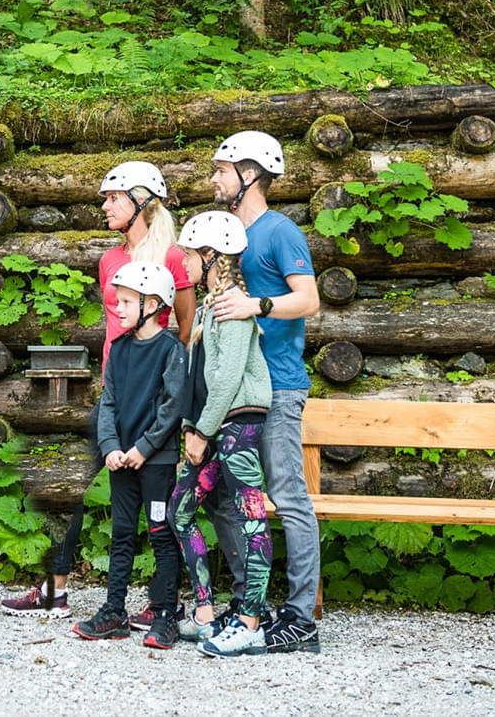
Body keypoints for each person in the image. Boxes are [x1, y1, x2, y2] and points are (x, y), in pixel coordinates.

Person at [1, 161, 196, 621]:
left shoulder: (172, 256)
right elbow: (113, 333)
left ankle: (161, 603)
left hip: (157, 402)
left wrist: (165, 404)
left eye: (114, 198)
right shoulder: (110, 259)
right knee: (71, 487)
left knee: (158, 505)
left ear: (142, 201)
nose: (104, 206)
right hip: (115, 394)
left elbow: (185, 329)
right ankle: (56, 589)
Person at [208, 130, 322, 653]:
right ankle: (253, 602)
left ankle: (301, 618)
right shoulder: (225, 231)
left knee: (287, 496)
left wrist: (258, 305)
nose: (212, 179)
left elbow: (309, 300)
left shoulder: (281, 232)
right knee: (226, 498)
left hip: (278, 385)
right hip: (238, 387)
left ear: (248, 173)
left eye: (221, 170)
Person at [169, 210, 275, 658]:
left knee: (253, 517)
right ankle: (207, 611)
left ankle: (251, 621)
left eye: (191, 255)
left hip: (241, 427)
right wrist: (198, 428)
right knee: (180, 508)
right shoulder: (214, 305)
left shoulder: (231, 307)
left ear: (212, 257)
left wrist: (200, 432)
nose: (185, 264)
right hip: (220, 428)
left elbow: (229, 378)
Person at [71, 262, 187, 649]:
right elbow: (109, 403)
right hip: (121, 460)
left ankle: (166, 614)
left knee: (160, 532)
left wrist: (144, 448)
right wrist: (111, 448)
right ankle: (114, 612)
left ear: (152, 304)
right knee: (121, 533)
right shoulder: (118, 350)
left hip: (156, 461)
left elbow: (173, 408)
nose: (116, 309)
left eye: (125, 302)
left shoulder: (172, 350)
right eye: (116, 301)